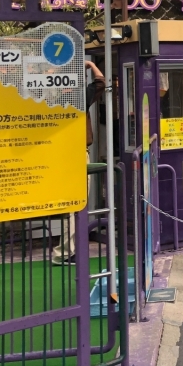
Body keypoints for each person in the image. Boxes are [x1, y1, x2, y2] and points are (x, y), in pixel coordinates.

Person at [53, 59, 106, 265]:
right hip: (75, 153)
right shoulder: (77, 97)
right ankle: (64, 252)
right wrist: (91, 65)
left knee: (73, 203)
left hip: (60, 152)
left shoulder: (53, 98)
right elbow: (101, 83)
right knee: (76, 202)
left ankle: (68, 250)